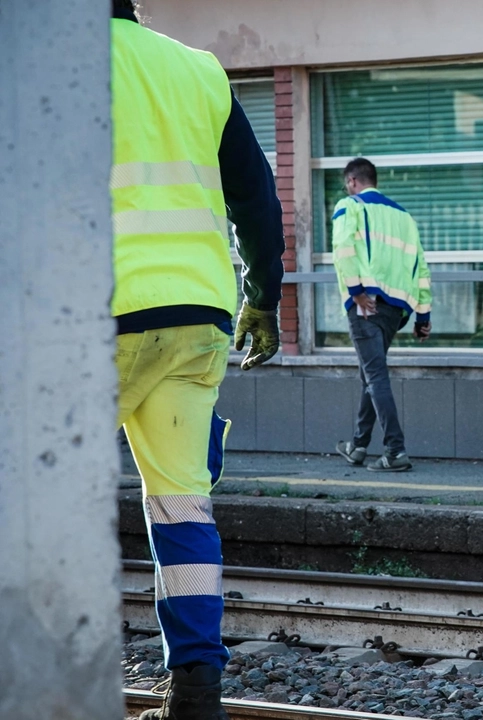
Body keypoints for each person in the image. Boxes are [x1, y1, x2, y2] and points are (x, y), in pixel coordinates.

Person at [111, 2, 284, 718]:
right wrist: (263, 297)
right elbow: (255, 194)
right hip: (197, 317)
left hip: (88, 311)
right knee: (181, 504)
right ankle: (195, 695)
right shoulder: (198, 69)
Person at [331, 158, 433, 472]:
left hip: (366, 303)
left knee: (375, 376)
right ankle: (358, 445)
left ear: (352, 181)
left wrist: (355, 291)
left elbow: (343, 248)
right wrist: (423, 316)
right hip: (396, 308)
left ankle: (395, 451)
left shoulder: (351, 206)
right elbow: (421, 267)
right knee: (370, 375)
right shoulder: (404, 217)